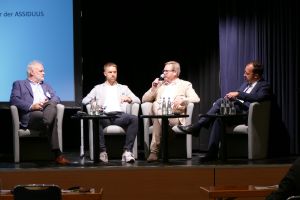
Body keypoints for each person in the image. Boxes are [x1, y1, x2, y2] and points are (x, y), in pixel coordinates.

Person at [178, 60, 272, 162]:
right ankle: (212, 153)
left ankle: (198, 126)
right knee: (219, 118)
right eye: (244, 72)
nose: (244, 75)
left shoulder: (264, 86)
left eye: (247, 73)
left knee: (220, 101)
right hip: (235, 111)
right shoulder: (245, 85)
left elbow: (258, 97)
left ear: (256, 76)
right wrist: (232, 99)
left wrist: (238, 95)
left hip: (246, 115)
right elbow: (238, 98)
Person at [10, 60, 70, 165]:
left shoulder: (46, 85)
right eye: (41, 71)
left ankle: (45, 123)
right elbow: (14, 100)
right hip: (31, 113)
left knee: (51, 106)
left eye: (44, 71)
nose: (44, 73)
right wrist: (31, 106)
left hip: (46, 110)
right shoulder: (19, 84)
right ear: (32, 72)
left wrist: (48, 102)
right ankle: (58, 155)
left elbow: (56, 97)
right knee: (50, 118)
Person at [82, 62, 140, 163]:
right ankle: (102, 152)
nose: (113, 74)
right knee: (96, 119)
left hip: (119, 116)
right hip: (104, 116)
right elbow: (84, 100)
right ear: (105, 73)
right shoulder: (98, 88)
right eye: (110, 72)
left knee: (134, 119)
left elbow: (138, 100)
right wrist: (93, 102)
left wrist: (129, 99)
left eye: (115, 72)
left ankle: (127, 152)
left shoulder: (123, 88)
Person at [142, 61, 200, 162]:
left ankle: (154, 152)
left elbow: (196, 98)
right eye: (164, 71)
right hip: (159, 113)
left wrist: (183, 100)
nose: (164, 73)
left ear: (175, 72)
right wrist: (153, 88)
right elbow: (144, 99)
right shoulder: (160, 85)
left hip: (174, 116)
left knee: (157, 120)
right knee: (155, 104)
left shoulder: (185, 84)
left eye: (167, 71)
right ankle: (168, 132)